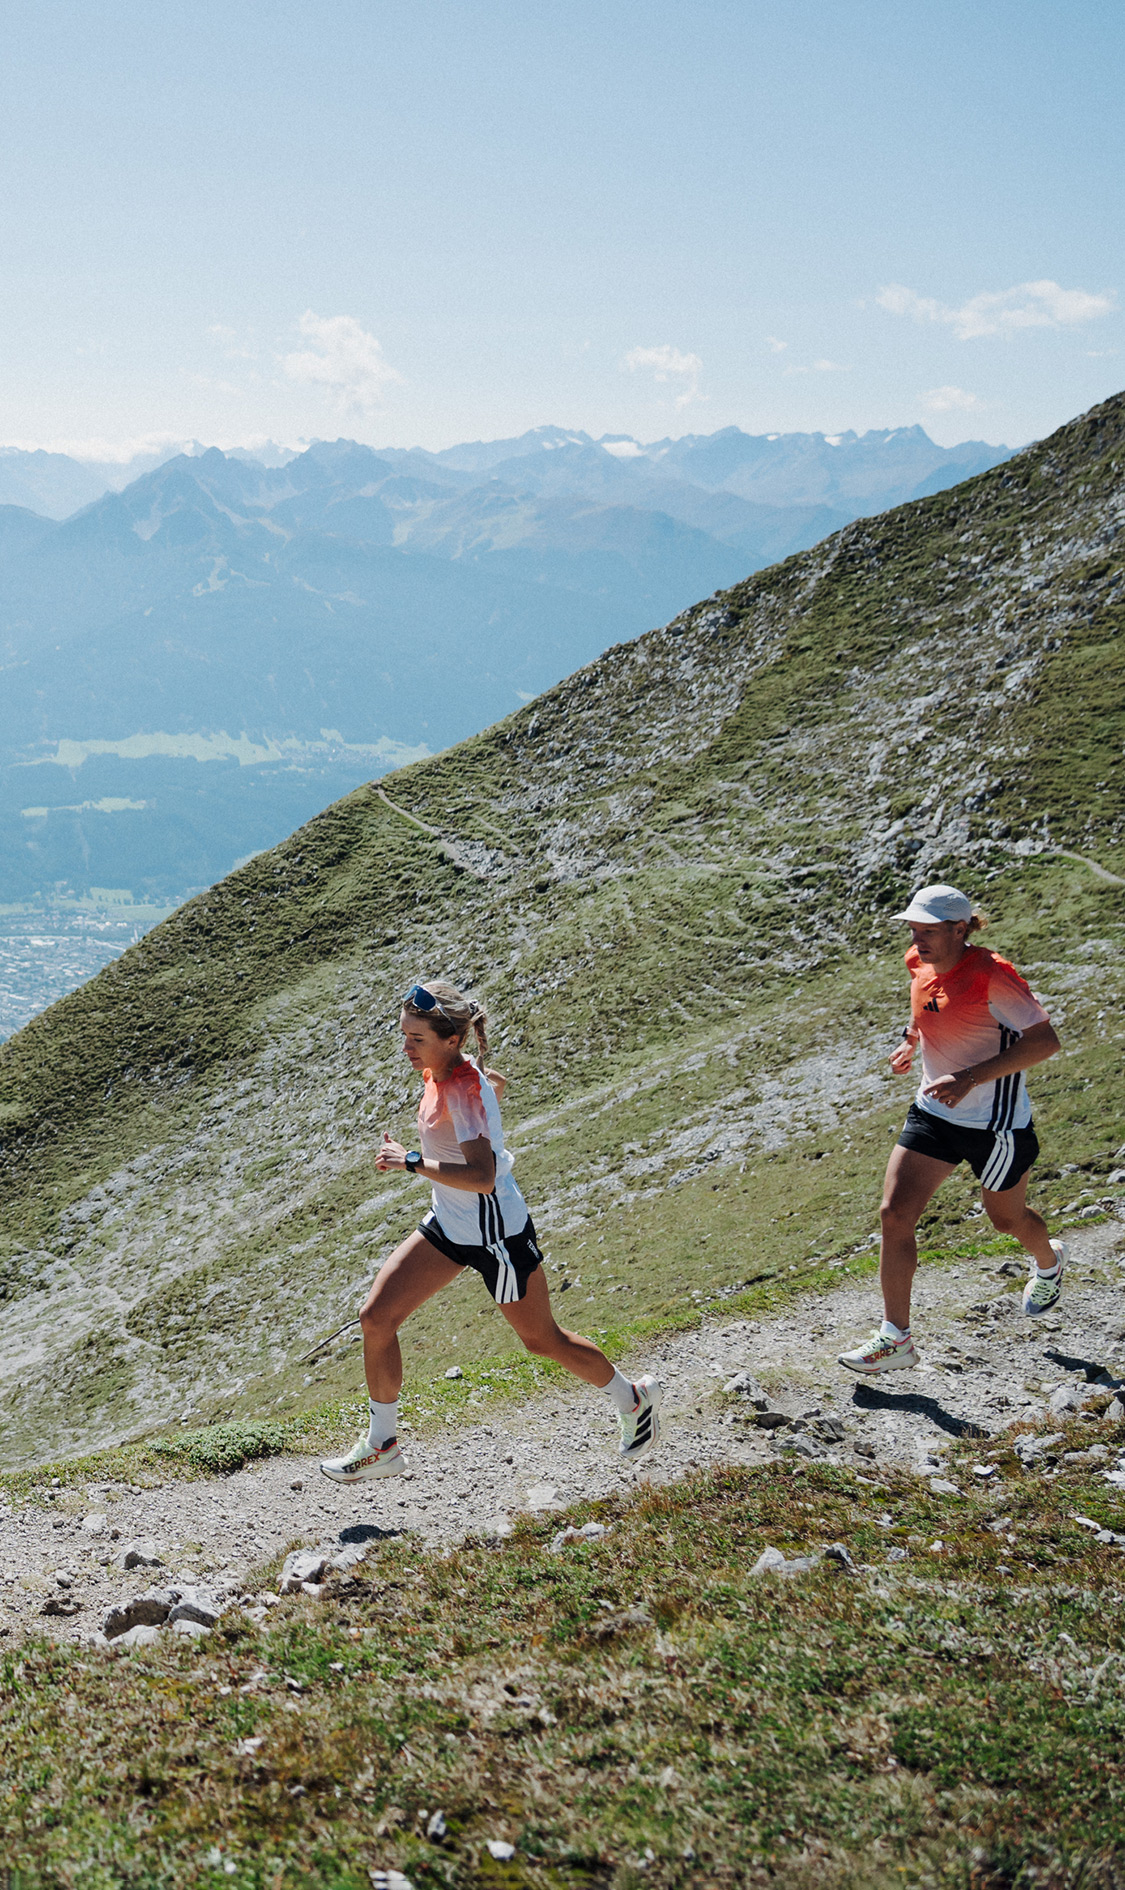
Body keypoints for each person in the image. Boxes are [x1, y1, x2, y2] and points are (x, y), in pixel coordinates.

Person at [321, 979, 662, 1480]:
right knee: (375, 1317)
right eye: (405, 1036)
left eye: (417, 1039)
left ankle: (632, 1398)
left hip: (496, 1236)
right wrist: (488, 1093)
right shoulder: (444, 1072)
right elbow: (482, 1099)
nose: (406, 1047)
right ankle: (382, 1446)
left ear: (451, 1040)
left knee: (542, 1340)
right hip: (450, 1223)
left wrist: (410, 1160)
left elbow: (482, 1177)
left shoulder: (461, 1087)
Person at [838, 884, 1064, 1376]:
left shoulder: (993, 975)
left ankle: (1049, 1263)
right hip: (934, 1113)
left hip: (996, 1126)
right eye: (913, 929)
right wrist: (910, 1040)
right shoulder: (918, 961)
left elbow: (1045, 1042)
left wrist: (969, 1078)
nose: (917, 940)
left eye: (928, 931)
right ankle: (896, 1339)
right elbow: (926, 1006)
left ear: (960, 930)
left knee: (1006, 1220)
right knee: (894, 1214)